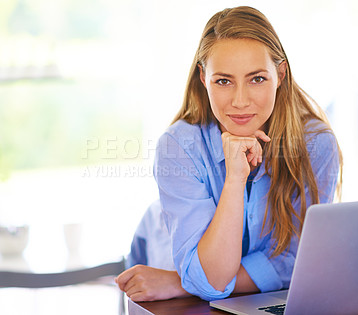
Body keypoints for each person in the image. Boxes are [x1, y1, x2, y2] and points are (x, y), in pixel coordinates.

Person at [116, 5, 342, 302]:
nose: (240, 101)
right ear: (203, 78)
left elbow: (296, 262)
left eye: (257, 79)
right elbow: (211, 280)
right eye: (223, 81)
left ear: (281, 74)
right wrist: (235, 176)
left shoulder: (315, 144)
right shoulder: (178, 145)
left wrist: (181, 283)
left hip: (187, 284)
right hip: (158, 257)